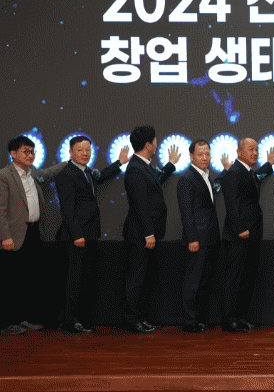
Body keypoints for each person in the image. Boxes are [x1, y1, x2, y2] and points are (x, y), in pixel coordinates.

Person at [55, 136, 130, 334]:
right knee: (74, 280)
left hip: (89, 235)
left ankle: (80, 319)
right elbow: (67, 209)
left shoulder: (87, 172)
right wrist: (77, 235)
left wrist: (119, 163)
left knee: (85, 279)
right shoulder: (66, 174)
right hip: (76, 237)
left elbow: (101, 176)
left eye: (88, 149)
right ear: (71, 152)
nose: (85, 153)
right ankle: (69, 321)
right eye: (80, 150)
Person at [0, 136, 67, 336]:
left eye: (32, 152)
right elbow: (0, 210)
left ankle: (24, 319)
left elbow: (49, 172)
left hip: (33, 232)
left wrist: (68, 161)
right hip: (14, 235)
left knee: (28, 279)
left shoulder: (32, 173)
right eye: (26, 151)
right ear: (13, 153)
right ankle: (8, 322)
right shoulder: (4, 176)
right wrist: (5, 236)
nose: (30, 155)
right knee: (11, 281)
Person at [216, 138, 274, 333]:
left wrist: (269, 164)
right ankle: (230, 320)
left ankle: (241, 317)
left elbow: (256, 182)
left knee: (247, 278)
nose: (255, 153)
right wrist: (240, 228)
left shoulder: (248, 172)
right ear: (239, 152)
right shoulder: (234, 172)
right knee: (234, 279)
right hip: (239, 236)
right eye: (251, 149)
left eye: (256, 149)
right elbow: (232, 203)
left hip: (252, 236)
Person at [123, 126, 179, 333]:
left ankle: (142, 317)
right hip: (141, 235)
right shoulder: (135, 169)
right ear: (148, 145)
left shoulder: (142, 166)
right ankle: (133, 320)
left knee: (144, 278)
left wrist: (170, 165)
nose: (156, 145)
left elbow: (156, 181)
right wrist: (148, 233)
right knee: (137, 279)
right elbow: (140, 205)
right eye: (155, 142)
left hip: (147, 234)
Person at [177, 140, 220, 333]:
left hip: (210, 237)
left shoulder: (206, 176)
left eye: (207, 154)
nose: (205, 158)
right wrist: (192, 238)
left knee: (204, 281)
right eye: (200, 154)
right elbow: (186, 212)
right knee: (193, 281)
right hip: (197, 239)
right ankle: (190, 321)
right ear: (191, 156)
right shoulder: (187, 178)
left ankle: (200, 319)